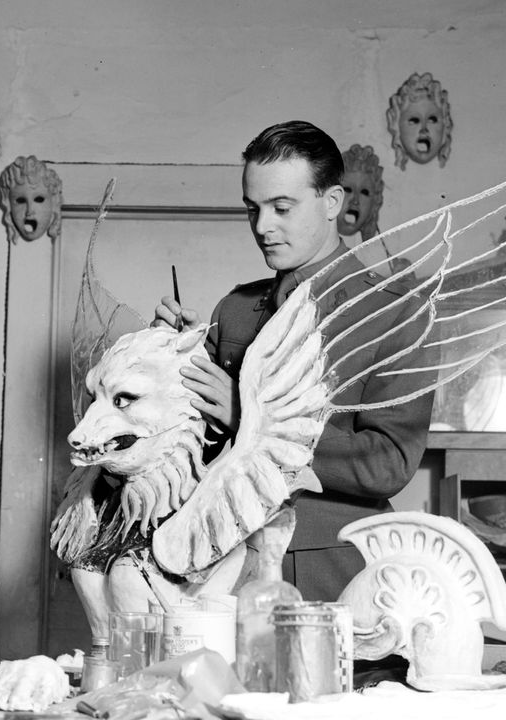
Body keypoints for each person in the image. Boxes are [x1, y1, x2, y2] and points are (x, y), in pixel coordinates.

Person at [154, 120, 433, 602]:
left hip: (330, 572)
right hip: (220, 562)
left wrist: (252, 419)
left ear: (332, 202)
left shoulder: (396, 313)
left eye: (282, 207)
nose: (263, 227)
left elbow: (388, 463)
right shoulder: (236, 311)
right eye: (253, 209)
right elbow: (199, 450)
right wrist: (167, 365)